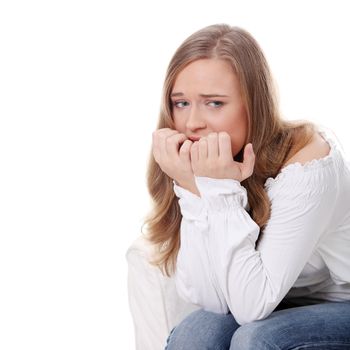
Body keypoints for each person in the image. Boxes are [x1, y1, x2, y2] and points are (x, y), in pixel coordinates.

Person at [143, 23, 350, 349]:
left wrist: (220, 193)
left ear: (254, 104)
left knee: (256, 338)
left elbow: (251, 307)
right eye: (181, 103)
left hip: (341, 304)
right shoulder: (199, 166)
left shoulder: (308, 164)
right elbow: (212, 299)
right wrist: (195, 189)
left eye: (214, 103)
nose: (192, 122)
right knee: (195, 335)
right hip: (276, 300)